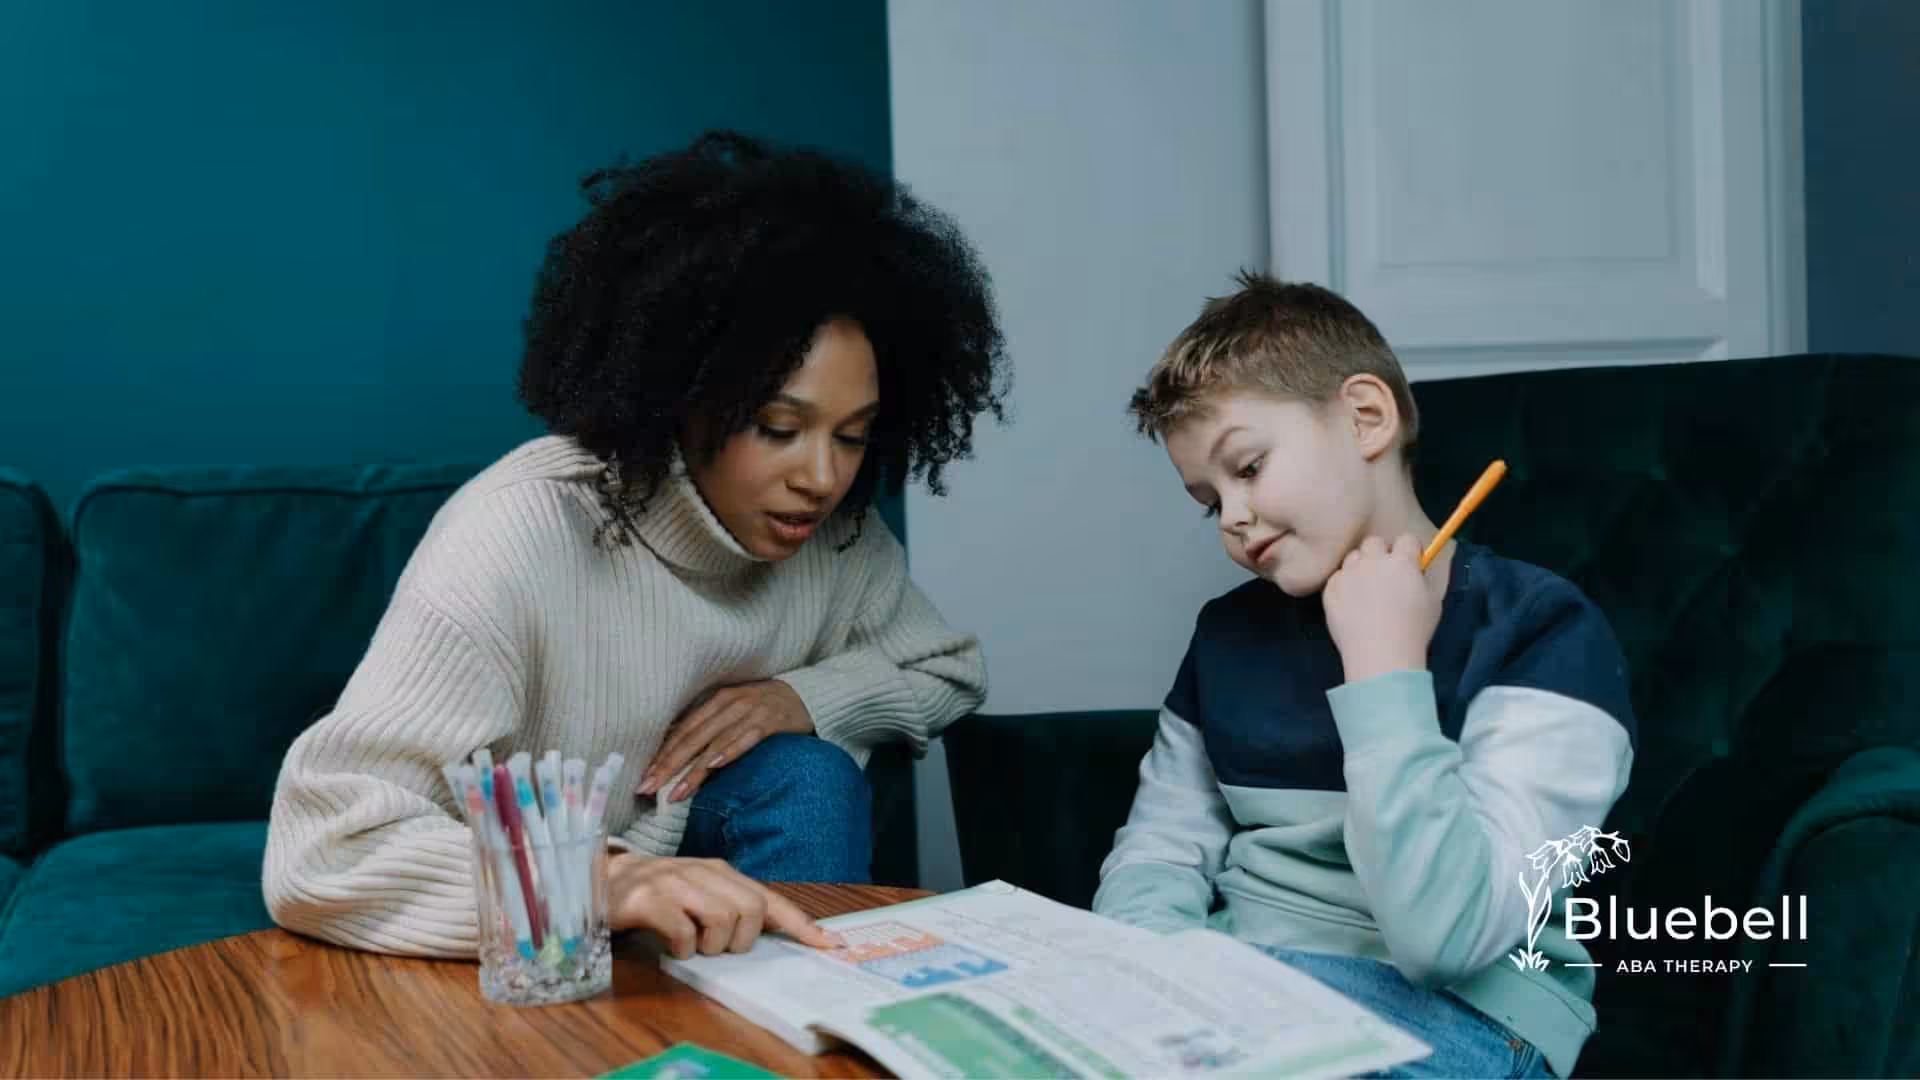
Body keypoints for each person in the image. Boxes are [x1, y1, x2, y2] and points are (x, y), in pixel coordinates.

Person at [264, 130, 1007, 963]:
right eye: (779, 428)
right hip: (535, 919)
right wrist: (598, 882)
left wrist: (803, 700)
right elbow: (322, 847)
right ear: (683, 397)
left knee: (807, 775)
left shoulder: (839, 541)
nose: (823, 478)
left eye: (854, 436)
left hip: (715, 895)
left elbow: (949, 669)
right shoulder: (518, 531)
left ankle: (808, 1021)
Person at [1095, 272, 1635, 1079]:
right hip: (1242, 980)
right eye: (1210, 501)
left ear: (1365, 416)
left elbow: (1443, 939)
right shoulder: (1226, 637)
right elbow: (1161, 850)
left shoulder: (1544, 632)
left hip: (1467, 1010)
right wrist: (1157, 976)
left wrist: (1386, 669)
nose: (1234, 519)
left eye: (1247, 467)